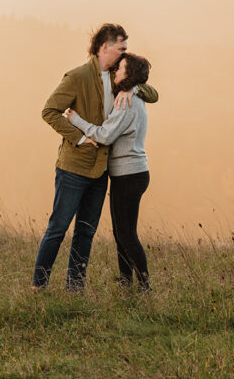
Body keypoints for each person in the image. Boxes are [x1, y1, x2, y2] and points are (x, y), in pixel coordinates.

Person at [33, 24, 158, 290]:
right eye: (121, 48)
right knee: (58, 228)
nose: (126, 52)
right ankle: (38, 286)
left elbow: (153, 92)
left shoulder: (122, 81)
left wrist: (131, 88)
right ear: (105, 47)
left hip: (102, 171)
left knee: (86, 232)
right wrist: (78, 137)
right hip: (74, 166)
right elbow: (49, 111)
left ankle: (74, 288)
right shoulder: (78, 76)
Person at [66, 51, 153, 290]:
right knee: (120, 232)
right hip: (129, 173)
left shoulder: (128, 103)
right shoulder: (131, 97)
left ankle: (145, 287)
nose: (115, 70)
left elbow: (104, 135)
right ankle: (126, 283)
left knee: (126, 234)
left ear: (129, 74)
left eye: (120, 68)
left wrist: (76, 120)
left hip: (129, 175)